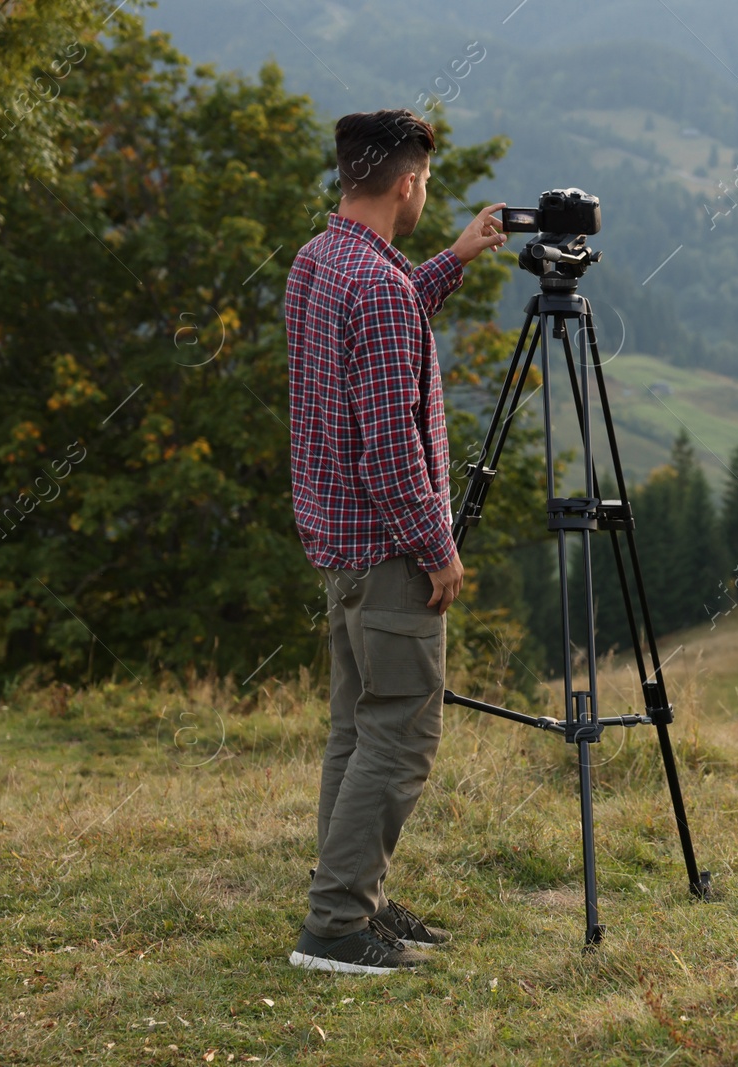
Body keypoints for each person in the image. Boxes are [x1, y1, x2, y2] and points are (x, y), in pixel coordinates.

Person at [282, 108, 508, 973]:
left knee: (357, 727)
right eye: (427, 184)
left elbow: (382, 326)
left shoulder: (320, 261)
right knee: (403, 733)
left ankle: (351, 896)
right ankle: (336, 926)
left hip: (338, 545)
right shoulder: (374, 289)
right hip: (386, 550)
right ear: (408, 181)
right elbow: (388, 444)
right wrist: (437, 545)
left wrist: (455, 256)